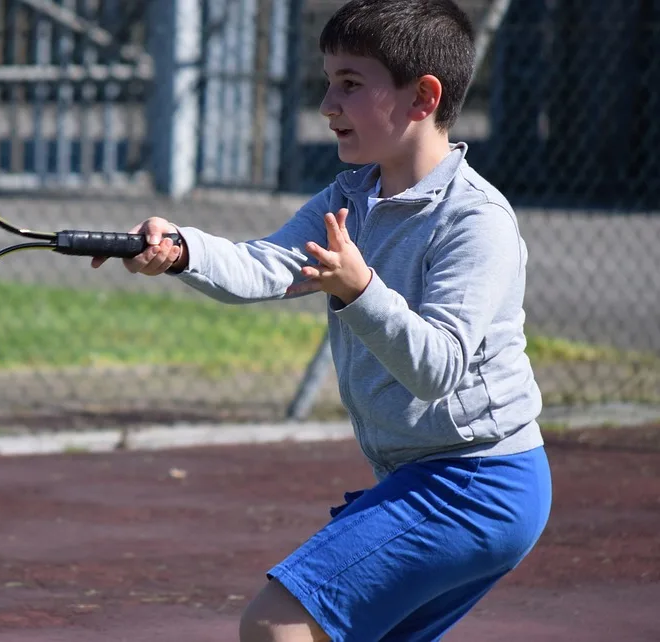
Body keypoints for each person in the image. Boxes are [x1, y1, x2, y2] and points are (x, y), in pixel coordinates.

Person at [92, 0, 552, 639]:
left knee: (277, 625)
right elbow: (264, 265)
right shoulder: (351, 196)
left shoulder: (475, 222)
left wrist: (360, 289)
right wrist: (182, 249)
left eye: (351, 84)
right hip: (432, 476)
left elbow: (440, 368)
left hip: (477, 482)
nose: (327, 104)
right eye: (328, 81)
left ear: (422, 97)